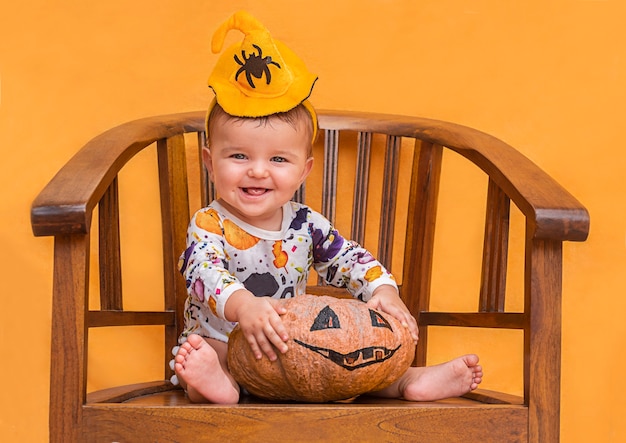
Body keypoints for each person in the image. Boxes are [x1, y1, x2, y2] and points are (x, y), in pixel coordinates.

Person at [173, 10, 482, 404]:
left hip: (295, 353)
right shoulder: (209, 223)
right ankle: (216, 384)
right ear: (208, 161)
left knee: (351, 369)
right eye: (238, 155)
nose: (257, 171)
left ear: (304, 171)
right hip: (227, 345)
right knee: (202, 354)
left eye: (278, 160)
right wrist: (245, 307)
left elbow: (348, 258)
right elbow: (205, 273)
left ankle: (408, 381)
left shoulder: (306, 225)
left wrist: (383, 289)